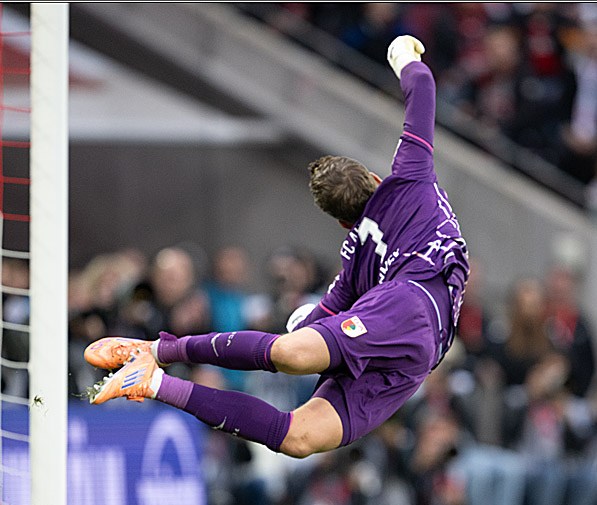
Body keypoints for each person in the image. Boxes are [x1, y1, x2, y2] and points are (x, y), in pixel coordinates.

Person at [83, 35, 469, 459]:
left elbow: (325, 311)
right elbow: (424, 88)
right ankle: (155, 367)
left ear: (341, 222)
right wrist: (403, 55)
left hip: (410, 329)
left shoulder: (354, 256)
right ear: (375, 178)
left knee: (296, 416)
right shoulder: (409, 177)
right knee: (294, 395)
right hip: (415, 325)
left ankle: (156, 363)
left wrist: (305, 325)